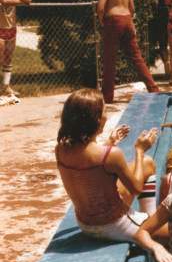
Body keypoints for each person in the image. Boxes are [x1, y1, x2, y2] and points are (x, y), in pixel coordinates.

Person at [55, 88, 159, 241]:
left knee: (147, 163)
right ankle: (150, 224)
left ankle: (148, 218)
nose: (107, 116)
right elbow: (136, 188)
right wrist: (139, 150)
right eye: (105, 111)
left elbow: (88, 163)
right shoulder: (111, 155)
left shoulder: (60, 149)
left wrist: (109, 142)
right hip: (116, 225)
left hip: (85, 225)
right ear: (97, 120)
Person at [97, 0, 160, 103]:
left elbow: (101, 7)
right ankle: (153, 88)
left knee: (109, 59)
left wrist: (102, 21)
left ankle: (107, 96)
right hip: (127, 19)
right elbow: (132, 8)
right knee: (136, 56)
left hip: (113, 19)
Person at [0, 0, 32, 101]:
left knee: (8, 59)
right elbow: (4, 1)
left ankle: (6, 87)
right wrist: (18, 0)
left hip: (11, 29)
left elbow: (29, 0)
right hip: (0, 29)